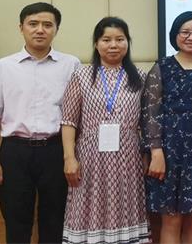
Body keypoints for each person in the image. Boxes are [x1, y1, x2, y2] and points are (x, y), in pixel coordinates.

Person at [0, 2, 80, 244]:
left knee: (55, 221)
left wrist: (71, 156)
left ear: (56, 29)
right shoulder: (3, 67)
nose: (40, 30)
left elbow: (77, 114)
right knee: (16, 222)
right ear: (21, 28)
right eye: (33, 24)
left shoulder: (71, 65)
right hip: (15, 152)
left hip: (55, 151)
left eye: (47, 25)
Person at [60, 17, 149, 244]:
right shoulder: (81, 75)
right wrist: (69, 158)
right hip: (89, 156)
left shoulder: (140, 76)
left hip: (128, 156)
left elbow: (147, 122)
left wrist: (146, 155)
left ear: (128, 42)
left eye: (120, 39)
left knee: (125, 205)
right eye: (106, 39)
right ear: (96, 43)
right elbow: (69, 121)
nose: (113, 45)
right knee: (88, 205)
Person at [142, 11, 192, 244]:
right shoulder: (162, 67)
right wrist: (155, 151)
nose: (191, 37)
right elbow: (150, 113)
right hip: (169, 151)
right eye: (184, 32)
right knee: (172, 219)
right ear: (174, 35)